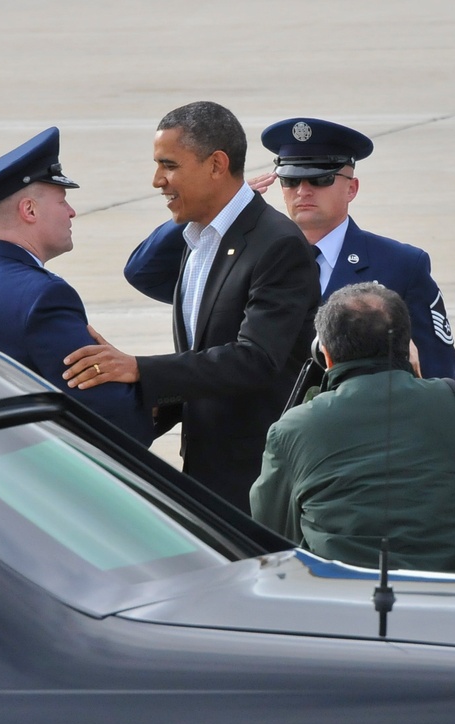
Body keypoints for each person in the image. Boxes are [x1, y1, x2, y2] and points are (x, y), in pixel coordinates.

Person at [62, 101, 320, 512]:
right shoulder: (197, 239)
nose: (156, 180)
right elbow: (147, 279)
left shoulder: (277, 243)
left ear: (217, 165)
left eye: (169, 165)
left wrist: (140, 369)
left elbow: (255, 359)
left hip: (260, 482)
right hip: (206, 471)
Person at [124, 117, 455, 380]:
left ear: (352, 188)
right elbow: (144, 272)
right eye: (291, 180)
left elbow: (436, 370)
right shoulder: (242, 256)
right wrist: (215, 208)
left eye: (320, 179)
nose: (303, 191)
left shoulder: (400, 265)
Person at [249, 282, 455, 572]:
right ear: (407, 346)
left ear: (326, 355)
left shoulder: (294, 429)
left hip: (342, 598)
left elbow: (272, 528)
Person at [0, 127, 154, 445]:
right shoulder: (43, 297)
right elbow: (112, 418)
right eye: (62, 201)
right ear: (29, 210)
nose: (71, 212)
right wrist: (170, 392)